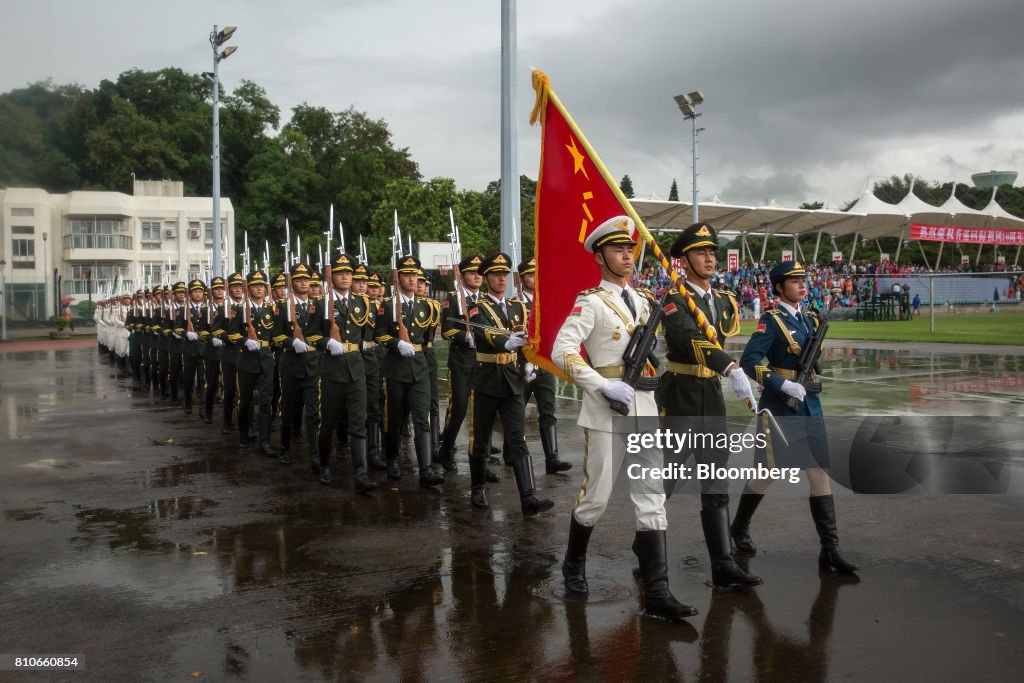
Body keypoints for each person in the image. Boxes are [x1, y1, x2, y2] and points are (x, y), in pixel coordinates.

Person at [553, 215, 697, 622]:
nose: (628, 256)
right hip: (606, 408)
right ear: (600, 256)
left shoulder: (647, 301)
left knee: (651, 496)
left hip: (645, 408)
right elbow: (564, 350)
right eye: (618, 250)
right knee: (596, 496)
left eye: (630, 249)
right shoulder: (591, 301)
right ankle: (573, 564)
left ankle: (657, 592)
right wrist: (601, 384)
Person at [734, 261, 858, 574]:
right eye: (794, 281)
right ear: (779, 287)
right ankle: (738, 527)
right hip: (780, 404)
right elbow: (749, 362)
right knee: (767, 474)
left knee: (819, 473)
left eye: (803, 281)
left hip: (809, 403)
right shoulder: (771, 320)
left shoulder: (809, 319)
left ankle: (829, 550)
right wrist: (780, 382)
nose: (802, 285)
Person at [657, 222, 762, 589]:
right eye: (701, 252)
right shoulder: (673, 299)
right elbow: (691, 342)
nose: (709, 258)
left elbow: (719, 338)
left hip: (711, 394)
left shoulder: (719, 300)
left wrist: (734, 377)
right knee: (666, 478)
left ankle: (723, 566)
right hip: (681, 393)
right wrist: (731, 368)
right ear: (684, 259)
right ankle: (646, 548)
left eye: (712, 252)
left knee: (716, 478)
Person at [466, 252, 553, 514]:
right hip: (486, 380)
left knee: (517, 440)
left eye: (504, 274)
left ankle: (528, 497)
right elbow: (484, 331)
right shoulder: (477, 306)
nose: (501, 279)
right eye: (495, 274)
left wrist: (529, 361)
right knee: (480, 439)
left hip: (513, 380)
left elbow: (528, 337)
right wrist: (506, 341)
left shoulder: (518, 306)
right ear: (487, 278)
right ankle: (478, 487)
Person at [374, 255, 445, 487]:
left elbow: (426, 338)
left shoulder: (426, 306)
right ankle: (392, 459)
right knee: (394, 417)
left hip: (419, 368)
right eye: (408, 275)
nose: (413, 279)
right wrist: (396, 344)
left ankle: (425, 469)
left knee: (422, 418)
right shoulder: (388, 305)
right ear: (399, 277)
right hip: (395, 369)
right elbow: (379, 334)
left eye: (415, 275)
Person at [317, 253, 376, 492]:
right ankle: (323, 465)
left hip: (356, 368)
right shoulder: (322, 302)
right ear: (331, 276)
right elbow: (311, 334)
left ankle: (361, 475)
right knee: (329, 422)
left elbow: (367, 336)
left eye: (349, 273)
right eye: (340, 273)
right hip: (333, 370)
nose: (345, 277)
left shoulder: (363, 302)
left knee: (358, 423)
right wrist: (326, 343)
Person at [517, 256, 571, 474]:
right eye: (531, 275)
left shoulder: (547, 301)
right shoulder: (515, 303)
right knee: (516, 411)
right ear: (522, 278)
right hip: (521, 366)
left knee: (548, 410)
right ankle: (511, 452)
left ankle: (552, 457)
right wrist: (525, 361)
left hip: (545, 366)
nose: (535, 279)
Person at [272, 264, 323, 468]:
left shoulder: (319, 305)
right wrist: (291, 342)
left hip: (312, 365)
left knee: (313, 412)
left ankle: (316, 454)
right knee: (288, 409)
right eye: (299, 280)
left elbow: (323, 332)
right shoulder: (283, 306)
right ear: (291, 282)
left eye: (306, 280)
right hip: (291, 365)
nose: (303, 283)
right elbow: (276, 335)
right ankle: (284, 448)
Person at [226, 270, 277, 456]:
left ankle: (265, 442)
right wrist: (245, 341)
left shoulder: (272, 309)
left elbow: (277, 334)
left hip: (265, 359)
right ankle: (244, 434)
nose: (259, 289)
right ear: (249, 288)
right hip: (247, 359)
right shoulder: (239, 310)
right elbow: (231, 334)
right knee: (245, 400)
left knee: (266, 401)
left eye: (262, 286)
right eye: (255, 286)